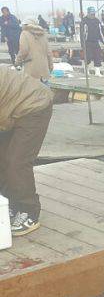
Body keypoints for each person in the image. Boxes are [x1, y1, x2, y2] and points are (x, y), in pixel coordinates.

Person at [0, 65, 53, 235]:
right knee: (2, 159)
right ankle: (10, 205)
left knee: (16, 162)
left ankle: (29, 211)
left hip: (34, 106)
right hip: (11, 111)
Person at [82, 7, 104, 76]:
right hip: (87, 42)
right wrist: (82, 44)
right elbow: (82, 34)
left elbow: (101, 32)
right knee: (88, 56)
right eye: (91, 14)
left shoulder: (97, 21)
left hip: (96, 41)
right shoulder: (84, 21)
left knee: (97, 56)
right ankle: (86, 70)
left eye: (93, 14)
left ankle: (97, 72)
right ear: (88, 13)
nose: (93, 15)